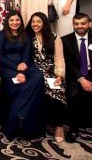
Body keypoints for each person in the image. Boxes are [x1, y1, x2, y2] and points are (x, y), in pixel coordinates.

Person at [0, 11, 45, 139]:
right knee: (18, 85)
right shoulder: (1, 35)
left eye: (17, 20)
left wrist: (22, 70)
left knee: (38, 76)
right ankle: (14, 124)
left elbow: (27, 54)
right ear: (7, 21)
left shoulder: (25, 35)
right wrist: (16, 68)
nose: (15, 22)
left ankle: (22, 116)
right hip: (7, 66)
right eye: (11, 20)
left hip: (25, 64)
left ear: (21, 21)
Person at [61, 13, 92, 142]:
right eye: (76, 24)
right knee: (73, 94)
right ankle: (73, 129)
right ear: (73, 25)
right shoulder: (65, 40)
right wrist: (81, 79)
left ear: (89, 24)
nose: (79, 26)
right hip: (75, 75)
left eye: (83, 23)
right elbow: (68, 64)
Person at [26, 12, 66, 143]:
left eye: (38, 21)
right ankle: (41, 125)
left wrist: (59, 75)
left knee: (57, 92)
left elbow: (59, 58)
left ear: (44, 23)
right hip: (34, 72)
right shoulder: (26, 37)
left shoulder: (55, 38)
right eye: (33, 21)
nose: (35, 24)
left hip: (51, 72)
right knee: (36, 93)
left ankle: (59, 126)